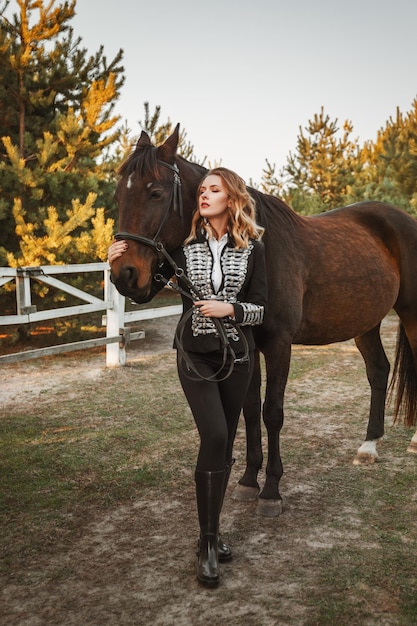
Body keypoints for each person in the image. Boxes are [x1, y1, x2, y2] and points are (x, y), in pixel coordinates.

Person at [108, 167, 267, 588]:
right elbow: (142, 291)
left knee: (225, 441)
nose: (204, 195)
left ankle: (212, 534)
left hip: (238, 358)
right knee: (214, 435)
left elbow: (261, 309)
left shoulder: (254, 249)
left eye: (213, 189)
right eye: (201, 189)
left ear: (231, 199)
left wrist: (229, 310)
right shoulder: (182, 248)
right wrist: (114, 266)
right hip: (194, 356)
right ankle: (208, 545)